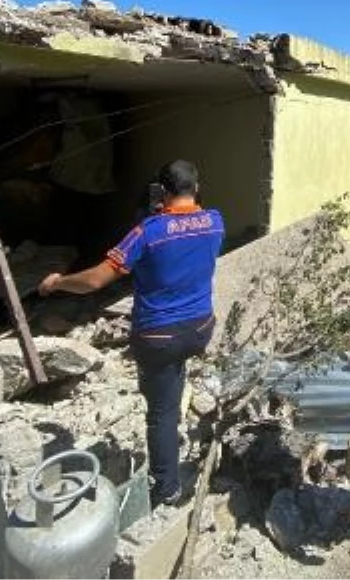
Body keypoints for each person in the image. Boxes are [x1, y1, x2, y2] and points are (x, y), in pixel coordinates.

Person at [37, 159, 223, 507]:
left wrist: (57, 282)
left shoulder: (147, 232)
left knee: (161, 414)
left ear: (161, 191)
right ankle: (175, 407)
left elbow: (96, 280)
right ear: (197, 188)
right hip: (200, 327)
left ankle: (166, 488)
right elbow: (187, 231)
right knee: (172, 381)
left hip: (159, 338)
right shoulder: (215, 221)